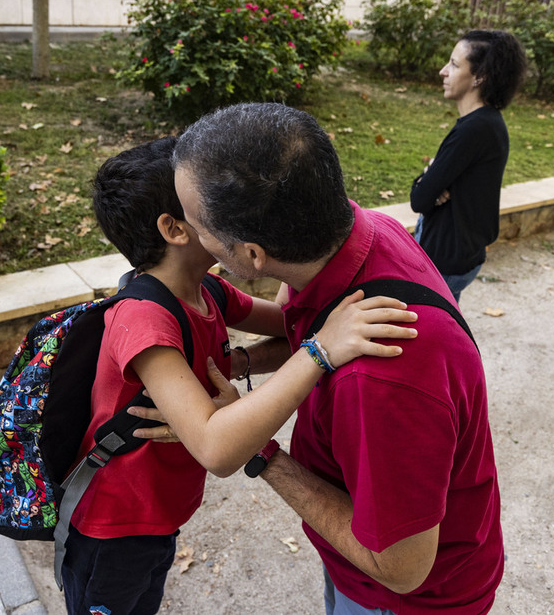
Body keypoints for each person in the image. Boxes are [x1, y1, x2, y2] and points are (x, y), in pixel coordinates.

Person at [62, 136, 418, 615]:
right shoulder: (143, 319)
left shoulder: (205, 289)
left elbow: (294, 321)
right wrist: (321, 351)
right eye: (204, 200)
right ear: (174, 228)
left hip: (160, 513)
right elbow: (216, 447)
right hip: (116, 524)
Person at [172, 102, 502, 614]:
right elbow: (305, 330)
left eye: (198, 225)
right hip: (359, 560)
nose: (195, 238)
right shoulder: (365, 231)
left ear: (253, 255)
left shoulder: (382, 377)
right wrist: (236, 363)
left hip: (403, 600)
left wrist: (263, 453)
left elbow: (402, 568)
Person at [410, 30, 528, 301]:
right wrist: (431, 183)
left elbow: (419, 198)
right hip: (462, 254)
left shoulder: (474, 130)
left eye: (453, 64)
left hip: (444, 260)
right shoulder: (488, 122)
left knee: (428, 337)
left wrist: (430, 183)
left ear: (480, 76)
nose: (443, 71)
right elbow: (429, 190)